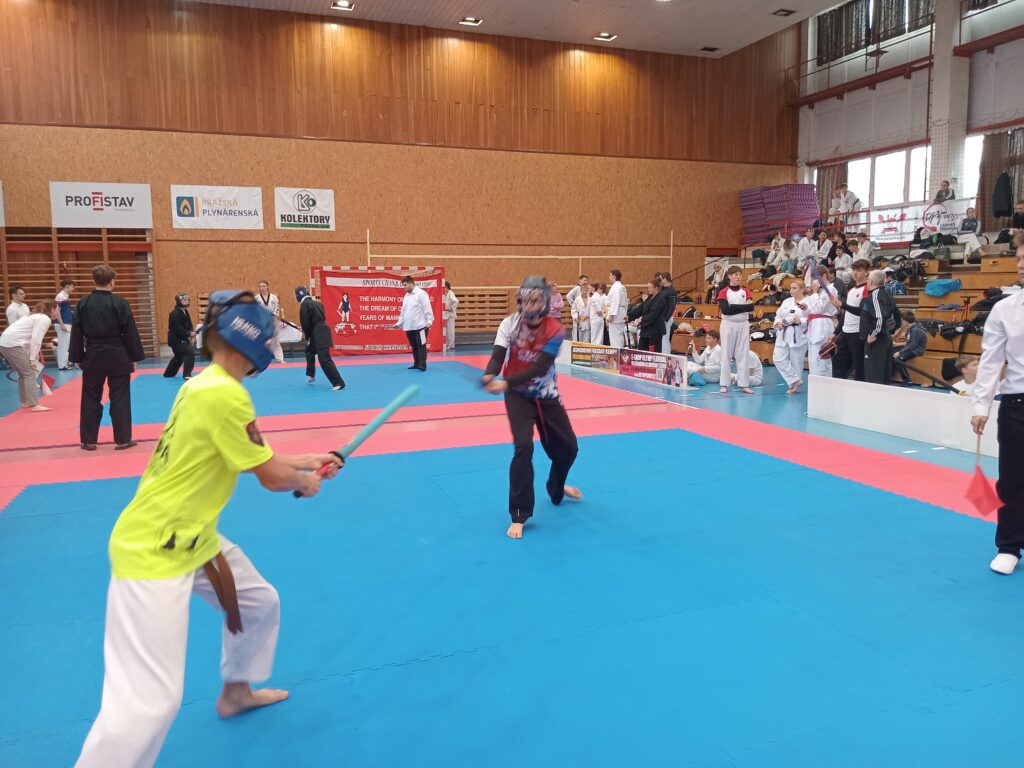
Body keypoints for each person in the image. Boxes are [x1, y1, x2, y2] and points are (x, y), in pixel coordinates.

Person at [74, 290, 343, 768]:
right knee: (148, 702)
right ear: (256, 345)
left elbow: (250, 456)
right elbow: (270, 477)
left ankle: (236, 691)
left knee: (259, 603)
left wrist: (309, 460)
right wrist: (305, 481)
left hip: (193, 537)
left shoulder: (202, 385)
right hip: (157, 548)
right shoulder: (227, 396)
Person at [480, 276, 581, 539]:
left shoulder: (555, 330)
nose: (530, 304)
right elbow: (498, 356)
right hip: (517, 397)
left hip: (546, 395)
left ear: (544, 302)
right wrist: (489, 375)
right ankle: (519, 514)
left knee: (569, 449)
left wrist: (504, 382)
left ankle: (556, 487)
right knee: (523, 447)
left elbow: (540, 367)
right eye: (526, 300)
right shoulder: (509, 324)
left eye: (535, 300)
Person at [971, 246, 1024, 575]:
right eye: (1019, 259)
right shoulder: (1005, 309)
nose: (1020, 265)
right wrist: (982, 405)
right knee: (1013, 480)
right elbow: (991, 361)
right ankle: (1009, 545)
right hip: (1017, 401)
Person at [70, 264, 146, 451]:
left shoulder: (83, 303)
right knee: (120, 397)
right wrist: (134, 356)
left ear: (93, 280)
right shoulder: (120, 303)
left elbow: (77, 331)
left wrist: (77, 356)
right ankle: (122, 440)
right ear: (112, 282)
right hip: (117, 354)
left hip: (93, 354)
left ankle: (89, 441)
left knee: (90, 397)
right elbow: (129, 332)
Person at [0, 301, 60, 412]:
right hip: (11, 344)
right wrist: (32, 359)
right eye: (58, 309)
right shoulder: (44, 319)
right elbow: (36, 339)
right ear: (52, 309)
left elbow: (27, 340)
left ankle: (25, 402)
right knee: (29, 373)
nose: (59, 311)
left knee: (23, 373)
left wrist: (30, 357)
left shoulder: (35, 316)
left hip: (6, 343)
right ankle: (33, 404)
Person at [296, 286, 345, 389]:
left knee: (324, 359)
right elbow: (317, 319)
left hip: (319, 334)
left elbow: (305, 322)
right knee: (309, 351)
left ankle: (338, 383)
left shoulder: (304, 304)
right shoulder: (317, 303)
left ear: (298, 295)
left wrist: (306, 334)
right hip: (321, 331)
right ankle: (311, 374)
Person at [717, 266, 755, 394]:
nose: (738, 277)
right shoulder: (724, 291)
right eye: (736, 274)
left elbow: (751, 307)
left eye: (740, 274)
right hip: (728, 324)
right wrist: (743, 307)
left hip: (743, 324)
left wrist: (733, 306)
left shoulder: (746, 291)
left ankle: (744, 384)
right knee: (726, 354)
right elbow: (725, 310)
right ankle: (724, 383)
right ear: (729, 276)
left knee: (743, 354)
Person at [832, 259, 871, 381]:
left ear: (866, 272)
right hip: (845, 333)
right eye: (854, 270)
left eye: (859, 270)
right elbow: (846, 315)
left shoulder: (867, 289)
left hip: (858, 333)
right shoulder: (851, 290)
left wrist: (842, 305)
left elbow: (862, 312)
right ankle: (838, 389)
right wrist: (836, 333)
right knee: (838, 366)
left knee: (859, 367)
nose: (855, 273)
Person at [860, 269, 900, 385]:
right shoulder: (887, 294)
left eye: (868, 279)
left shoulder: (875, 295)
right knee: (884, 375)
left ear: (871, 282)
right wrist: (892, 331)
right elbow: (897, 315)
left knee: (874, 375)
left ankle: (874, 396)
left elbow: (879, 317)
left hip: (876, 340)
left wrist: (873, 334)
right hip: (885, 336)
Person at [772, 281, 809, 394]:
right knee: (778, 359)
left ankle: (793, 386)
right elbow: (778, 315)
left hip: (798, 334)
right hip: (783, 332)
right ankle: (795, 380)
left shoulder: (808, 302)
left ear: (802, 289)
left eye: (794, 288)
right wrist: (778, 322)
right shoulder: (786, 301)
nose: (791, 290)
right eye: (791, 288)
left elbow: (813, 318)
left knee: (796, 361)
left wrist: (801, 320)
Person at [391, 275, 434, 371]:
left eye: (405, 285)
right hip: (409, 326)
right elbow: (403, 311)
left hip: (421, 326)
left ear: (411, 283)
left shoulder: (421, 293)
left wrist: (430, 320)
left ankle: (422, 365)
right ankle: (416, 363)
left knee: (421, 345)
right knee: (414, 346)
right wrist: (399, 323)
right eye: (403, 285)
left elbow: (427, 307)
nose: (404, 287)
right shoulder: (406, 296)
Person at [805, 276, 839, 378]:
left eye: (815, 281)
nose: (814, 284)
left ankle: (824, 383)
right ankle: (815, 382)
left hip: (823, 325)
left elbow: (820, 309)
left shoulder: (830, 289)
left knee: (822, 358)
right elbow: (813, 309)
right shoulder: (821, 292)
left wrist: (815, 293)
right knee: (813, 359)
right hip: (814, 326)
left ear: (823, 276)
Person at [627, 277, 668, 352]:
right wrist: (629, 315)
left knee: (653, 353)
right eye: (648, 287)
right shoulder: (650, 297)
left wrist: (640, 319)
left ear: (656, 288)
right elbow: (640, 309)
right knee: (642, 351)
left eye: (650, 288)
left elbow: (653, 315)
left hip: (655, 330)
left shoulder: (660, 299)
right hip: (646, 330)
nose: (648, 289)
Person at [163, 293, 197, 380]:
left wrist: (191, 334)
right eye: (184, 300)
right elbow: (177, 328)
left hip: (181, 338)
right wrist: (189, 334)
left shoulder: (185, 311)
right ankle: (187, 375)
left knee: (179, 357)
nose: (187, 301)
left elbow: (189, 325)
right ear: (178, 301)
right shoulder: (174, 314)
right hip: (175, 340)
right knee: (189, 353)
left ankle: (168, 373)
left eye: (187, 300)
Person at [892, 310, 927, 384]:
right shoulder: (912, 328)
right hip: (912, 348)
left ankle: (907, 380)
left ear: (905, 321)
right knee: (892, 353)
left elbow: (913, 345)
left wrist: (900, 352)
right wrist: (898, 345)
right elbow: (909, 342)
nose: (901, 322)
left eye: (902, 320)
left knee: (897, 360)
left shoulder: (916, 330)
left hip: (916, 350)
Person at [255, 280, 285, 364]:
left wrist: (274, 315)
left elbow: (277, 307)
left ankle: (280, 359)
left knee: (275, 339)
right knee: (261, 340)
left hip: (273, 320)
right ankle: (259, 359)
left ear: (267, 287)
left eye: (263, 286)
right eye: (260, 286)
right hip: (262, 321)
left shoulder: (274, 297)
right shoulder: (256, 298)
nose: (262, 288)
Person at [54, 277, 75, 370]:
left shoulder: (65, 296)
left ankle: (64, 363)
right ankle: (62, 365)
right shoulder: (60, 296)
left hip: (67, 323)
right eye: (72, 287)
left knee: (65, 345)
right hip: (63, 323)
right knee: (63, 345)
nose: (73, 289)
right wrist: (61, 324)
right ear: (67, 286)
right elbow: (56, 311)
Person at [606, 269, 628, 348]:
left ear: (614, 276)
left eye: (610, 275)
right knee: (619, 336)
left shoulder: (616, 287)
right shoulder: (622, 287)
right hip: (621, 314)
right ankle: (619, 351)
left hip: (615, 316)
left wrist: (611, 315)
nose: (609, 277)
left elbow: (615, 301)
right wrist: (625, 313)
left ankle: (617, 353)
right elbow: (625, 302)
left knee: (615, 338)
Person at [658, 272, 676, 354]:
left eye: (661, 279)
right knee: (663, 339)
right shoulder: (662, 289)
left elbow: (672, 306)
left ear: (665, 279)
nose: (660, 281)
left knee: (665, 338)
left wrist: (666, 319)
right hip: (661, 317)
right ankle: (665, 354)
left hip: (666, 318)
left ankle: (666, 356)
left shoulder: (671, 290)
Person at [565, 275, 589, 341]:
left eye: (586, 281)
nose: (586, 282)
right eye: (584, 280)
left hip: (586, 318)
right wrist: (573, 304)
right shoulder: (577, 289)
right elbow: (568, 296)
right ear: (580, 281)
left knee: (586, 337)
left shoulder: (589, 294)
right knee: (577, 335)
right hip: (578, 315)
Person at [442, 281, 459, 353]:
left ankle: (451, 345)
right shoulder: (445, 294)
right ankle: (448, 344)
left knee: (451, 330)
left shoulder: (450, 293)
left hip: (451, 315)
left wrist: (451, 308)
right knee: (447, 331)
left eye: (443, 287)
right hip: (447, 314)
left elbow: (456, 301)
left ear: (446, 287)